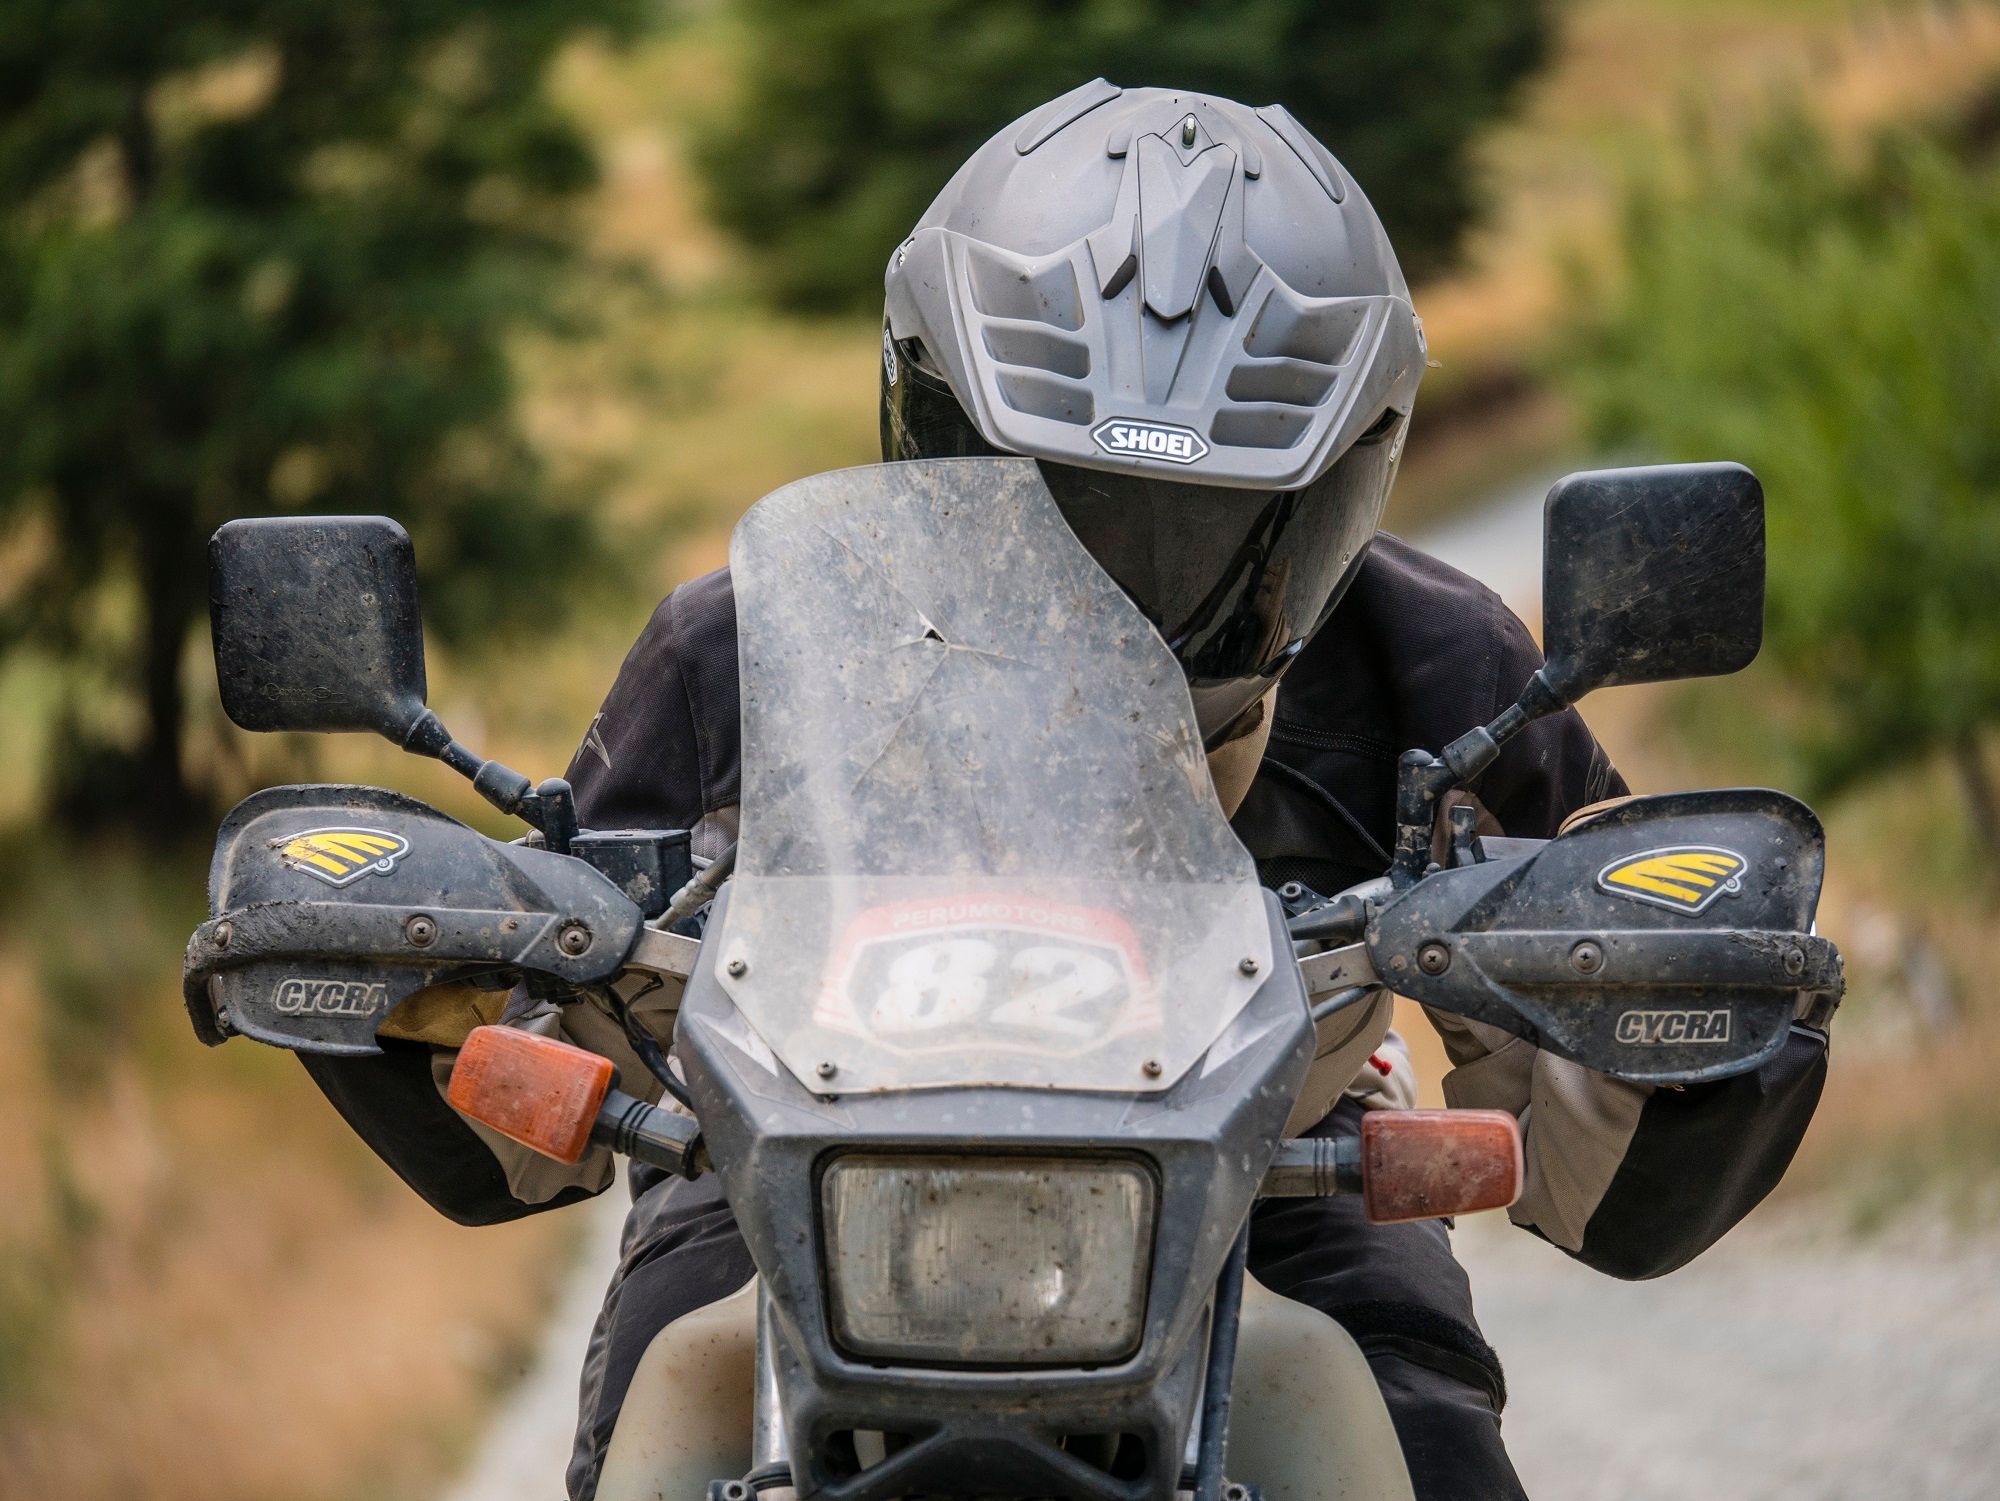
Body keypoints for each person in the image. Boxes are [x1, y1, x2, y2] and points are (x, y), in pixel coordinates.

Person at [297, 83, 1832, 1500]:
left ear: (1336, 498)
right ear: (930, 431)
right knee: (662, 1407)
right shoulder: (738, 656)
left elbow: (1590, 1136)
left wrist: (1689, 991)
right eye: (1054, 513)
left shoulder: (1430, 659)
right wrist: (410, 958)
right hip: (784, 1180)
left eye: (1205, 536)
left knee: (1427, 1439)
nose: (1119, 602)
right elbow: (560, 1033)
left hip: (1277, 1181)